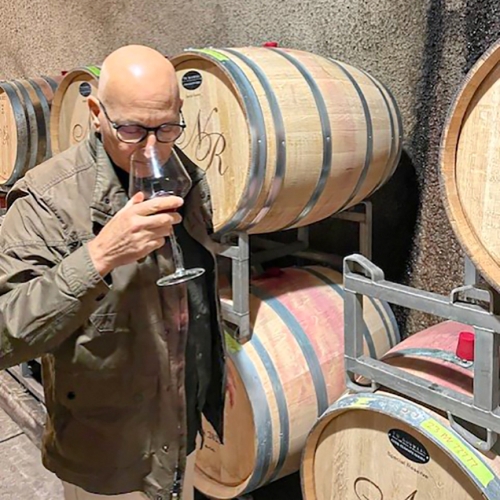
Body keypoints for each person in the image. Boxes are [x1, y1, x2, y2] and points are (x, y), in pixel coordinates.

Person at [0, 45, 226, 500]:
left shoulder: (187, 177)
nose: (150, 147)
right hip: (105, 453)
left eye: (166, 127)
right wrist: (99, 257)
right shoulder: (47, 201)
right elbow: (6, 332)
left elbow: (192, 302)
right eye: (131, 129)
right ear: (96, 112)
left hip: (178, 434)